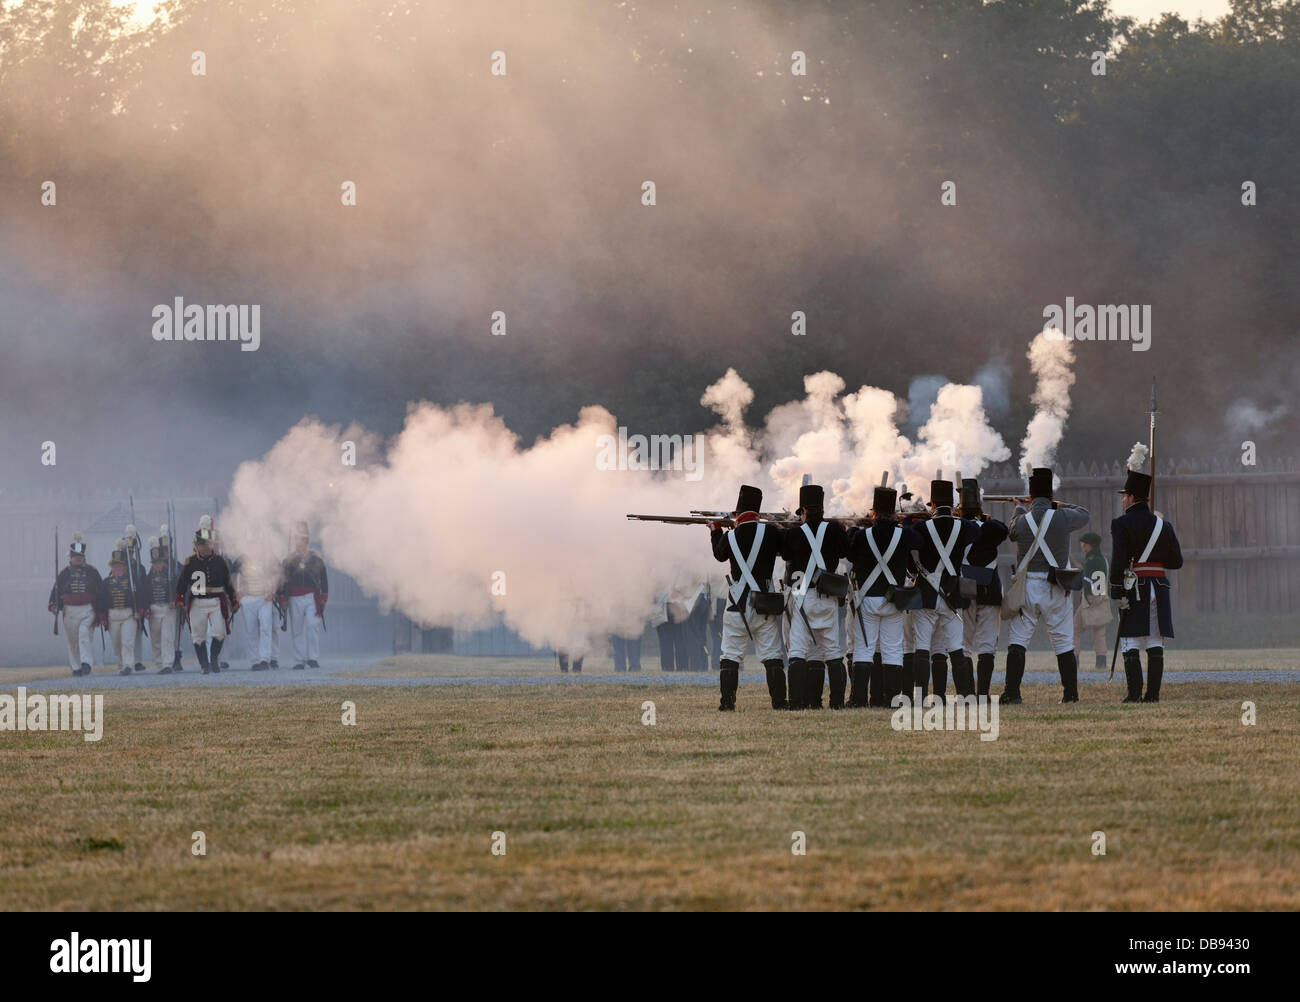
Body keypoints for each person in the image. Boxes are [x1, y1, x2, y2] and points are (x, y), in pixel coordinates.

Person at [1001, 468, 1090, 704]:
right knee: (1063, 642)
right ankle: (1070, 695)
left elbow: (1011, 531)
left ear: (1030, 497)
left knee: (1018, 640)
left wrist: (1019, 507)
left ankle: (1012, 693)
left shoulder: (1021, 519)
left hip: (1028, 585)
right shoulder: (1061, 515)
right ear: (1051, 497)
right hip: (1056, 585)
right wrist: (1058, 506)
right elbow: (1083, 514)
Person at [1110, 446, 1183, 703]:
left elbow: (1118, 561)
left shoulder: (1121, 524)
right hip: (1159, 588)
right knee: (1154, 641)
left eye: (1124, 496)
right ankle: (1152, 696)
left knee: (1130, 641)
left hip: (1135, 587)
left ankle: (1133, 695)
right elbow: (1176, 561)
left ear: (1131, 497)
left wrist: (1115, 590)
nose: (1122, 500)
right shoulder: (1164, 525)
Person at [710, 484, 787, 711]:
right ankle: (779, 702)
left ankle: (727, 703)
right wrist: (777, 524)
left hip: (737, 605)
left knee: (730, 655)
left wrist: (715, 530)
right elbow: (785, 548)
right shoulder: (772, 532)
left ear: (738, 511)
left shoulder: (731, 535)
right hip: (764, 604)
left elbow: (719, 555)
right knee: (773, 655)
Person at [845, 485, 919, 708]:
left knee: (863, 649)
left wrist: (860, 526)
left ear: (873, 512)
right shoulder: (904, 534)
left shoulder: (862, 535)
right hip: (893, 600)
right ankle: (892, 699)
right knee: (893, 649)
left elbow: (849, 551)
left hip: (868, 599)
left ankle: (858, 699)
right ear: (895, 513)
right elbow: (920, 541)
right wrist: (904, 522)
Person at [781, 483, 849, 709]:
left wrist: (790, 529)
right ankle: (836, 702)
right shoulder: (834, 529)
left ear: (803, 510)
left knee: (798, 651)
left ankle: (797, 702)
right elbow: (844, 551)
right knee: (831, 651)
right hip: (828, 597)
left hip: (803, 597)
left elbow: (787, 557)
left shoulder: (793, 533)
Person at [913, 479, 978, 702]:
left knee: (922, 647)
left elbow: (908, 538)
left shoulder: (920, 528)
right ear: (952, 505)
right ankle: (966, 695)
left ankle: (920, 697)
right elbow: (984, 529)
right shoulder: (966, 527)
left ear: (932, 505)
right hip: (953, 594)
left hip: (927, 595)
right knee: (956, 648)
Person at [956, 479, 1008, 699]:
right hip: (989, 590)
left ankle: (967, 694)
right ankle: (983, 694)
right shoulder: (991, 528)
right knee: (987, 645)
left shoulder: (957, 528)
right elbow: (1002, 528)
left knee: (964, 644)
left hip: (964, 589)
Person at [175, 515, 239, 675]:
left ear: (211, 544)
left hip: (216, 601)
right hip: (197, 602)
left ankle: (214, 658)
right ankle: (204, 665)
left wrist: (233, 599)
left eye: (206, 544)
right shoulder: (190, 562)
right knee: (198, 636)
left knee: (219, 632)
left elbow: (228, 583)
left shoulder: (219, 561)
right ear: (196, 545)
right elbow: (182, 583)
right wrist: (180, 598)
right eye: (201, 545)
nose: (204, 548)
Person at [48, 531, 101, 676]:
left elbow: (100, 590)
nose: (78, 559)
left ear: (84, 557)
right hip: (69, 611)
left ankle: (86, 663)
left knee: (84, 634)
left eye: (80, 556)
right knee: (72, 641)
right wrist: (53, 604)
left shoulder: (92, 572)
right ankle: (76, 667)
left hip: (87, 610)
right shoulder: (64, 573)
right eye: (75, 556)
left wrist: (101, 611)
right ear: (70, 558)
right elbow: (56, 590)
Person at [279, 522, 327, 670]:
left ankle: (313, 658)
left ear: (306, 541)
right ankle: (299, 660)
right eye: (296, 539)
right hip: (294, 597)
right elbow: (282, 581)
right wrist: (283, 598)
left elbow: (324, 580)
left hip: (312, 597)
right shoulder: (288, 560)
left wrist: (323, 597)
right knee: (297, 630)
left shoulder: (316, 559)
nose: (298, 543)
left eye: (301, 539)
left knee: (313, 626)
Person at [98, 539, 144, 676]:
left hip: (129, 615)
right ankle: (121, 665)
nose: (117, 568)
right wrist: (102, 617)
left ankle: (128, 665)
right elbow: (101, 601)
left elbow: (140, 596)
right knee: (117, 644)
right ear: (111, 567)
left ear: (125, 567)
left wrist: (139, 611)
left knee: (127, 642)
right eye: (115, 565)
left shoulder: (132, 581)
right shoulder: (106, 582)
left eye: (120, 565)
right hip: (113, 616)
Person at [232, 546, 282, 671]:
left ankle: (265, 659)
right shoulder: (242, 558)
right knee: (251, 630)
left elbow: (278, 572)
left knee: (266, 627)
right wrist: (237, 591)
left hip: (264, 597)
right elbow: (233, 572)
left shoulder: (269, 557)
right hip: (248, 597)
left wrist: (273, 590)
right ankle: (255, 660)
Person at [1073, 531, 1112, 671]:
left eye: (1083, 544)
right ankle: (1101, 664)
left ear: (1088, 545)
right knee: (1099, 633)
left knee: (1075, 630)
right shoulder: (1102, 559)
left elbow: (1088, 581)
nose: (1082, 547)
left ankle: (1074, 661)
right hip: (1102, 599)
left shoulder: (1090, 561)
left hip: (1089, 600)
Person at [143, 536, 180, 674]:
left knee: (167, 638)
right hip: (154, 610)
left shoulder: (172, 575)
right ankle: (159, 663)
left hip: (168, 609)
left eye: (159, 562)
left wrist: (175, 601)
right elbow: (144, 595)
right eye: (155, 562)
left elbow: (179, 589)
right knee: (156, 638)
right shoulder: (147, 578)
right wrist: (146, 609)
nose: (157, 565)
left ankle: (167, 664)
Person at [124, 524, 149, 672]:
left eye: (132, 552)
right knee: (126, 637)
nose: (130, 554)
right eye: (128, 551)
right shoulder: (120, 568)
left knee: (138, 633)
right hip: (125, 604)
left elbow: (144, 589)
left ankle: (138, 661)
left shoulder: (141, 568)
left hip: (138, 603)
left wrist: (143, 607)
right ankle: (127, 661)